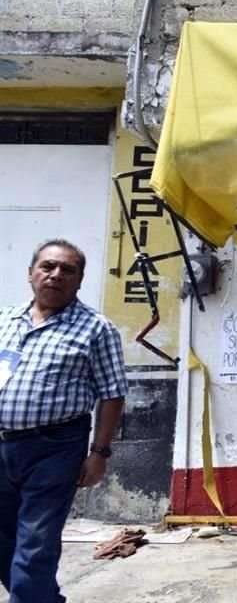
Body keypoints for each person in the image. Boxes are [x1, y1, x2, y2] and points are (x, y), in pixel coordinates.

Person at [0, 239, 127, 603]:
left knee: (36, 539)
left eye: (67, 270)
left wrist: (99, 452)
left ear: (79, 280)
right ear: (31, 273)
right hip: (2, 445)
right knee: (4, 537)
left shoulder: (95, 329)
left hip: (55, 447)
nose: (55, 275)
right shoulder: (4, 319)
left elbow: (113, 393)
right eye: (48, 266)